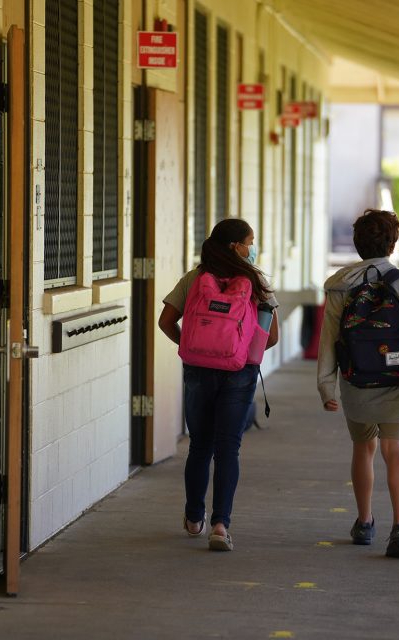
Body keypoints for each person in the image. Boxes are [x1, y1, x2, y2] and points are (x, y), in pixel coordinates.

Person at [158, 218, 279, 552]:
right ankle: (220, 526)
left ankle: (194, 515)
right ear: (236, 246)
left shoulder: (196, 278)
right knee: (228, 449)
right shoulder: (257, 282)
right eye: (250, 241)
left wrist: (194, 346)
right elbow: (272, 337)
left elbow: (165, 321)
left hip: (198, 370)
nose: (253, 247)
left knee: (200, 446)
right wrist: (237, 349)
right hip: (239, 372)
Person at [317, 209, 399, 558]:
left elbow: (329, 338)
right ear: (393, 243)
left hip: (356, 379)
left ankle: (364, 522)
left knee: (363, 448)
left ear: (357, 243)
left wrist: (326, 385)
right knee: (395, 450)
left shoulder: (339, 283)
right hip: (398, 380)